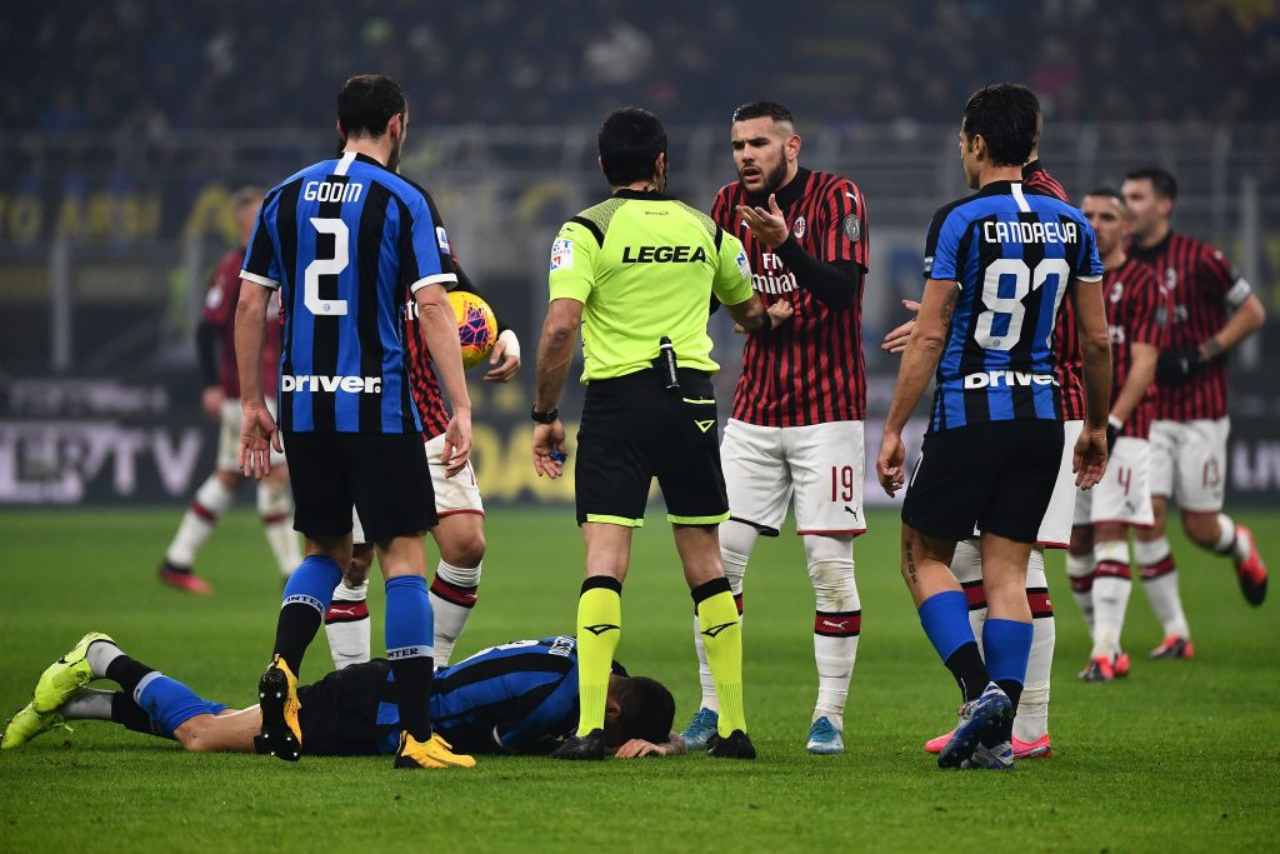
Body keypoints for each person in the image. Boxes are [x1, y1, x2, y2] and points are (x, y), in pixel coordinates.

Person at [234, 73, 474, 770]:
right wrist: (460, 406)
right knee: (403, 556)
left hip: (305, 405)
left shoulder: (282, 197)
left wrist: (255, 404)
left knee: (325, 555)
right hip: (379, 404)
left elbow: (252, 308)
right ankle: (417, 733)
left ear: (341, 126)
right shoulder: (403, 199)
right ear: (398, 125)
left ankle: (284, 664)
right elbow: (434, 308)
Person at [531, 107, 781, 761]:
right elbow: (751, 312)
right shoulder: (708, 229)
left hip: (619, 401)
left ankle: (589, 726)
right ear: (663, 163)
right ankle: (734, 728)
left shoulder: (586, 229)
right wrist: (769, 312)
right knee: (706, 566)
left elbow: (560, 327)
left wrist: (543, 413)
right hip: (692, 401)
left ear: (603, 167)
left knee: (605, 562)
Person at [876, 83, 1110, 770]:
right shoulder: (1073, 225)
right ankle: (1000, 735)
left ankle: (980, 692)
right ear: (1032, 143)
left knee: (923, 556)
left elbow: (929, 334)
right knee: (1009, 571)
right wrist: (1094, 425)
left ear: (975, 144)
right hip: (1043, 417)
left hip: (969, 413)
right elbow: (1097, 342)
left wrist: (892, 428)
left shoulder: (959, 220)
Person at [680, 101, 871, 756]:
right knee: (717, 562)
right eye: (738, 145)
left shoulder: (836, 196)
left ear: (792, 147)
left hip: (830, 411)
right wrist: (752, 312)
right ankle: (712, 706)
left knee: (828, 564)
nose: (746, 156)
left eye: (759, 143)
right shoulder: (726, 203)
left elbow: (844, 290)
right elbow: (709, 293)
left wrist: (785, 244)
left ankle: (830, 716)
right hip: (755, 412)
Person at [2, 633, 680, 760]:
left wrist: (669, 740)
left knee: (233, 727)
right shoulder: (570, 699)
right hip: (371, 712)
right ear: (611, 713)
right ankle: (106, 657)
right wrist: (596, 751)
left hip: (384, 690)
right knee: (205, 734)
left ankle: (81, 705)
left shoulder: (591, 657)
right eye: (613, 732)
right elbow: (510, 744)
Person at [326, 261, 521, 672]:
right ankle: (355, 685)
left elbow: (455, 281)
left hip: (427, 418)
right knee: (354, 562)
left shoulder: (413, 225)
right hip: (357, 420)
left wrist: (502, 329)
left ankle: (430, 675)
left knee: (467, 544)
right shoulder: (333, 239)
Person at [1122, 167, 1268, 659]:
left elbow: (1253, 313)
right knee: (1148, 519)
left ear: (1165, 204)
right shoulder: (1118, 265)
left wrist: (1203, 352)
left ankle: (1240, 545)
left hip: (1202, 409)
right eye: (1126, 197)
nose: (1129, 206)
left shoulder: (1202, 259)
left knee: (1201, 528)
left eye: (1137, 197)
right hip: (1150, 411)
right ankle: (1176, 632)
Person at [158, 187, 301, 595]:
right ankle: (292, 572)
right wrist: (210, 385)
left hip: (271, 387)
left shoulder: (280, 265)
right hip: (248, 392)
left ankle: (177, 559)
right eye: (260, 217)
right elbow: (206, 329)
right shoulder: (234, 267)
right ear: (245, 223)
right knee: (273, 474)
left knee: (229, 476)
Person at [1066, 188, 1163, 681]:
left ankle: (1105, 651)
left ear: (1126, 228)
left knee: (1109, 531)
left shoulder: (1144, 283)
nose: (1095, 224)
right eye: (1087, 216)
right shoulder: (1066, 275)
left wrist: (1113, 422)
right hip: (1069, 423)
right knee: (1075, 547)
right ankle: (1105, 643)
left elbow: (1144, 362)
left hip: (1124, 428)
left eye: (1107, 217)